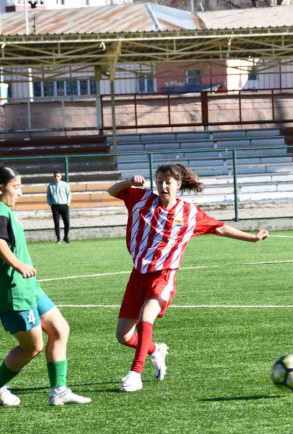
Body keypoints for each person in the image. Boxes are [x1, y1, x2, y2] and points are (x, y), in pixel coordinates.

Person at [107, 164, 269, 392]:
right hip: (137, 275)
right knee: (123, 336)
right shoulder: (141, 199)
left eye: (168, 181)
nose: (163, 185)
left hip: (163, 276)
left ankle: (136, 374)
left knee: (147, 317)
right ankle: (155, 350)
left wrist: (252, 238)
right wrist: (128, 182)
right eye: (160, 181)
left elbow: (219, 228)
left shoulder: (190, 213)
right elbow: (112, 191)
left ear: (178, 184)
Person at [0, 166, 90, 407]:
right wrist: (18, 264)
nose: (20, 193)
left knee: (60, 329)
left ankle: (59, 390)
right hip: (13, 291)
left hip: (27, 288)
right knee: (32, 346)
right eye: (16, 187)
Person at [46, 171, 72, 244]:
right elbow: (48, 196)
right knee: (56, 223)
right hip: (55, 206)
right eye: (55, 176)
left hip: (64, 205)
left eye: (58, 176)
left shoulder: (65, 184)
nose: (56, 177)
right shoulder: (50, 185)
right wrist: (51, 204)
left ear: (60, 177)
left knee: (67, 223)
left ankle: (66, 237)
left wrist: (68, 203)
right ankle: (58, 239)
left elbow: (69, 194)